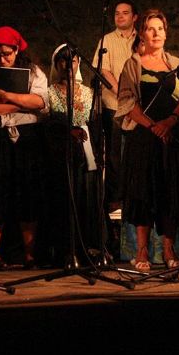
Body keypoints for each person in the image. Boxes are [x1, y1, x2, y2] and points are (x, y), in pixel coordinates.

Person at [117, 8, 179, 271]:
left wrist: (169, 123)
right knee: (143, 194)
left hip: (171, 136)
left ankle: (169, 249)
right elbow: (127, 102)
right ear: (142, 34)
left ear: (166, 33)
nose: (156, 33)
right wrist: (153, 126)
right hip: (144, 137)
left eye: (160, 28)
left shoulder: (177, 64)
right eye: (150, 28)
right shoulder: (133, 64)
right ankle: (142, 251)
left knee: (169, 192)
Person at [0, 26, 48, 269]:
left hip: (27, 136)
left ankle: (29, 253)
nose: (2, 59)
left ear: (17, 50)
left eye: (7, 54)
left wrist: (8, 97)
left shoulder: (34, 72)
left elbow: (40, 101)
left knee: (28, 191)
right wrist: (21, 103)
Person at [45, 44, 100, 261]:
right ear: (57, 64)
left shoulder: (88, 92)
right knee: (65, 197)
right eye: (64, 60)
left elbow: (94, 121)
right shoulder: (50, 92)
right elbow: (49, 124)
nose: (69, 65)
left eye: (74, 60)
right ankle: (65, 249)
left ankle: (87, 246)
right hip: (61, 152)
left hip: (86, 150)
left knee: (86, 197)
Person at [92, 1, 138, 208]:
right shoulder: (107, 40)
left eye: (125, 13)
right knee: (114, 154)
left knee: (135, 152)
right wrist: (123, 95)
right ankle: (115, 199)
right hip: (114, 104)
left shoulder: (141, 39)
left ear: (134, 17)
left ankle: (133, 197)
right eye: (117, 13)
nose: (120, 16)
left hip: (138, 106)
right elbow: (104, 71)